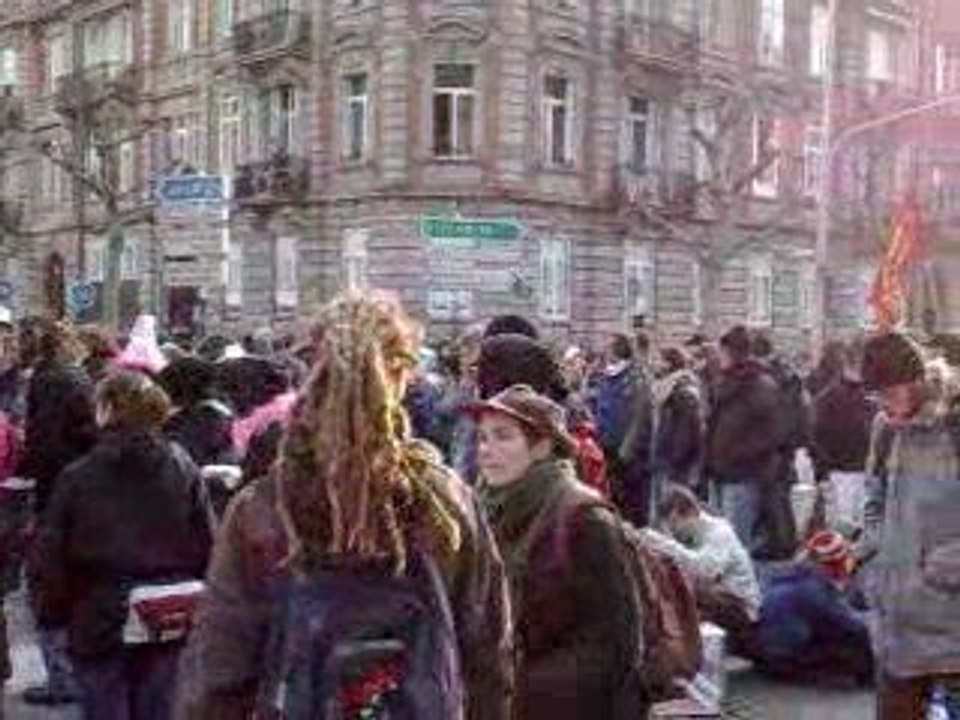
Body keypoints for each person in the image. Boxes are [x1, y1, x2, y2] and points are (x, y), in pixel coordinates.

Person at [182, 293, 512, 719]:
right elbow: (487, 655)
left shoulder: (263, 509)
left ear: (311, 373)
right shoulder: (444, 503)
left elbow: (220, 672)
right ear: (401, 377)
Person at [31, 371, 214, 720]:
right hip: (168, 608)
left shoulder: (79, 476)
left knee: (104, 704)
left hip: (98, 611)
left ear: (108, 409)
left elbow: (52, 553)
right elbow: (206, 538)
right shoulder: (182, 465)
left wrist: (51, 614)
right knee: (160, 706)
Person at [471, 384, 646, 719]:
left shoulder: (585, 520)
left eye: (503, 437)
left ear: (542, 446)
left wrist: (520, 686)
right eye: (482, 438)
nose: (486, 450)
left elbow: (617, 647)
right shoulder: (488, 509)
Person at [858, 332, 960, 718]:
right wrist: (871, 548)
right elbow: (874, 498)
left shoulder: (954, 425)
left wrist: (943, 564)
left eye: (889, 393)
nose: (884, 405)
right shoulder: (885, 429)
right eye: (876, 397)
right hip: (896, 623)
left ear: (915, 380)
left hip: (952, 615)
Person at [18, 319, 97, 705]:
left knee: (49, 582)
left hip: (59, 491)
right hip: (79, 490)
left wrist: (33, 480)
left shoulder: (48, 380)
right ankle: (75, 672)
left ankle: (62, 677)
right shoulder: (77, 377)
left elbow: (45, 442)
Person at [642, 484, 759, 648]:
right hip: (718, 599)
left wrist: (664, 544)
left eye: (675, 523)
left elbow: (705, 571)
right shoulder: (692, 537)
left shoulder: (720, 532)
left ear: (691, 513)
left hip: (739, 607)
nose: (674, 531)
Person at [750, 531, 873, 686]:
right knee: (859, 643)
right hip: (783, 661)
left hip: (765, 653)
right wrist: (879, 617)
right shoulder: (813, 587)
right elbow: (853, 625)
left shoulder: (785, 573)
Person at [705, 326, 784, 554]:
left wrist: (736, 454)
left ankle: (740, 589)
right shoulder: (725, 383)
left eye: (722, 353)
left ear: (732, 353)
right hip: (720, 474)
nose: (719, 359)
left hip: (744, 475)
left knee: (736, 545)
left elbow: (771, 435)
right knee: (720, 543)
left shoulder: (760, 386)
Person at [810, 342, 875, 535]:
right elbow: (816, 436)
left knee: (864, 530)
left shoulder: (872, 395)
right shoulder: (829, 398)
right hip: (841, 472)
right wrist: (822, 471)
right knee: (844, 530)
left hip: (865, 472)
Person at [593, 333, 653, 527]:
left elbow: (640, 417)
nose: (605, 350)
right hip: (606, 448)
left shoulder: (636, 377)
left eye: (608, 346)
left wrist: (626, 451)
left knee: (632, 507)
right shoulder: (605, 375)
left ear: (617, 350)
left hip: (629, 455)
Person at [651, 348, 703, 496]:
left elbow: (686, 431)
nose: (654, 363)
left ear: (669, 364)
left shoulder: (684, 392)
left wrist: (676, 459)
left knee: (671, 510)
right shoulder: (663, 388)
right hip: (661, 460)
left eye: (658, 360)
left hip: (673, 465)